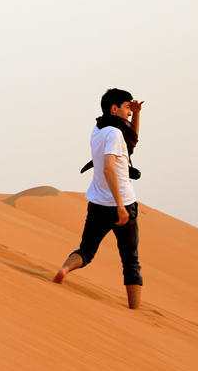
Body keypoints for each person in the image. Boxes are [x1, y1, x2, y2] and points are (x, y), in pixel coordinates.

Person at [53, 88, 144, 309]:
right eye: (126, 107)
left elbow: (131, 143)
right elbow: (108, 169)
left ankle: (64, 269)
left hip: (97, 203)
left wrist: (137, 113)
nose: (129, 112)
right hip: (121, 204)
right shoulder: (114, 133)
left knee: (86, 250)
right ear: (114, 108)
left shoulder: (99, 129)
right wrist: (121, 207)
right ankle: (136, 312)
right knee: (131, 261)